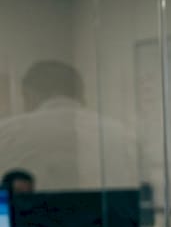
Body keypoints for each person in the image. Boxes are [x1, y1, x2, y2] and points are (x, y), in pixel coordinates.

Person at [0, 60, 137, 191]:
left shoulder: (7, 132)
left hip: (29, 214)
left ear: (29, 94)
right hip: (110, 214)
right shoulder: (120, 132)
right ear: (80, 92)